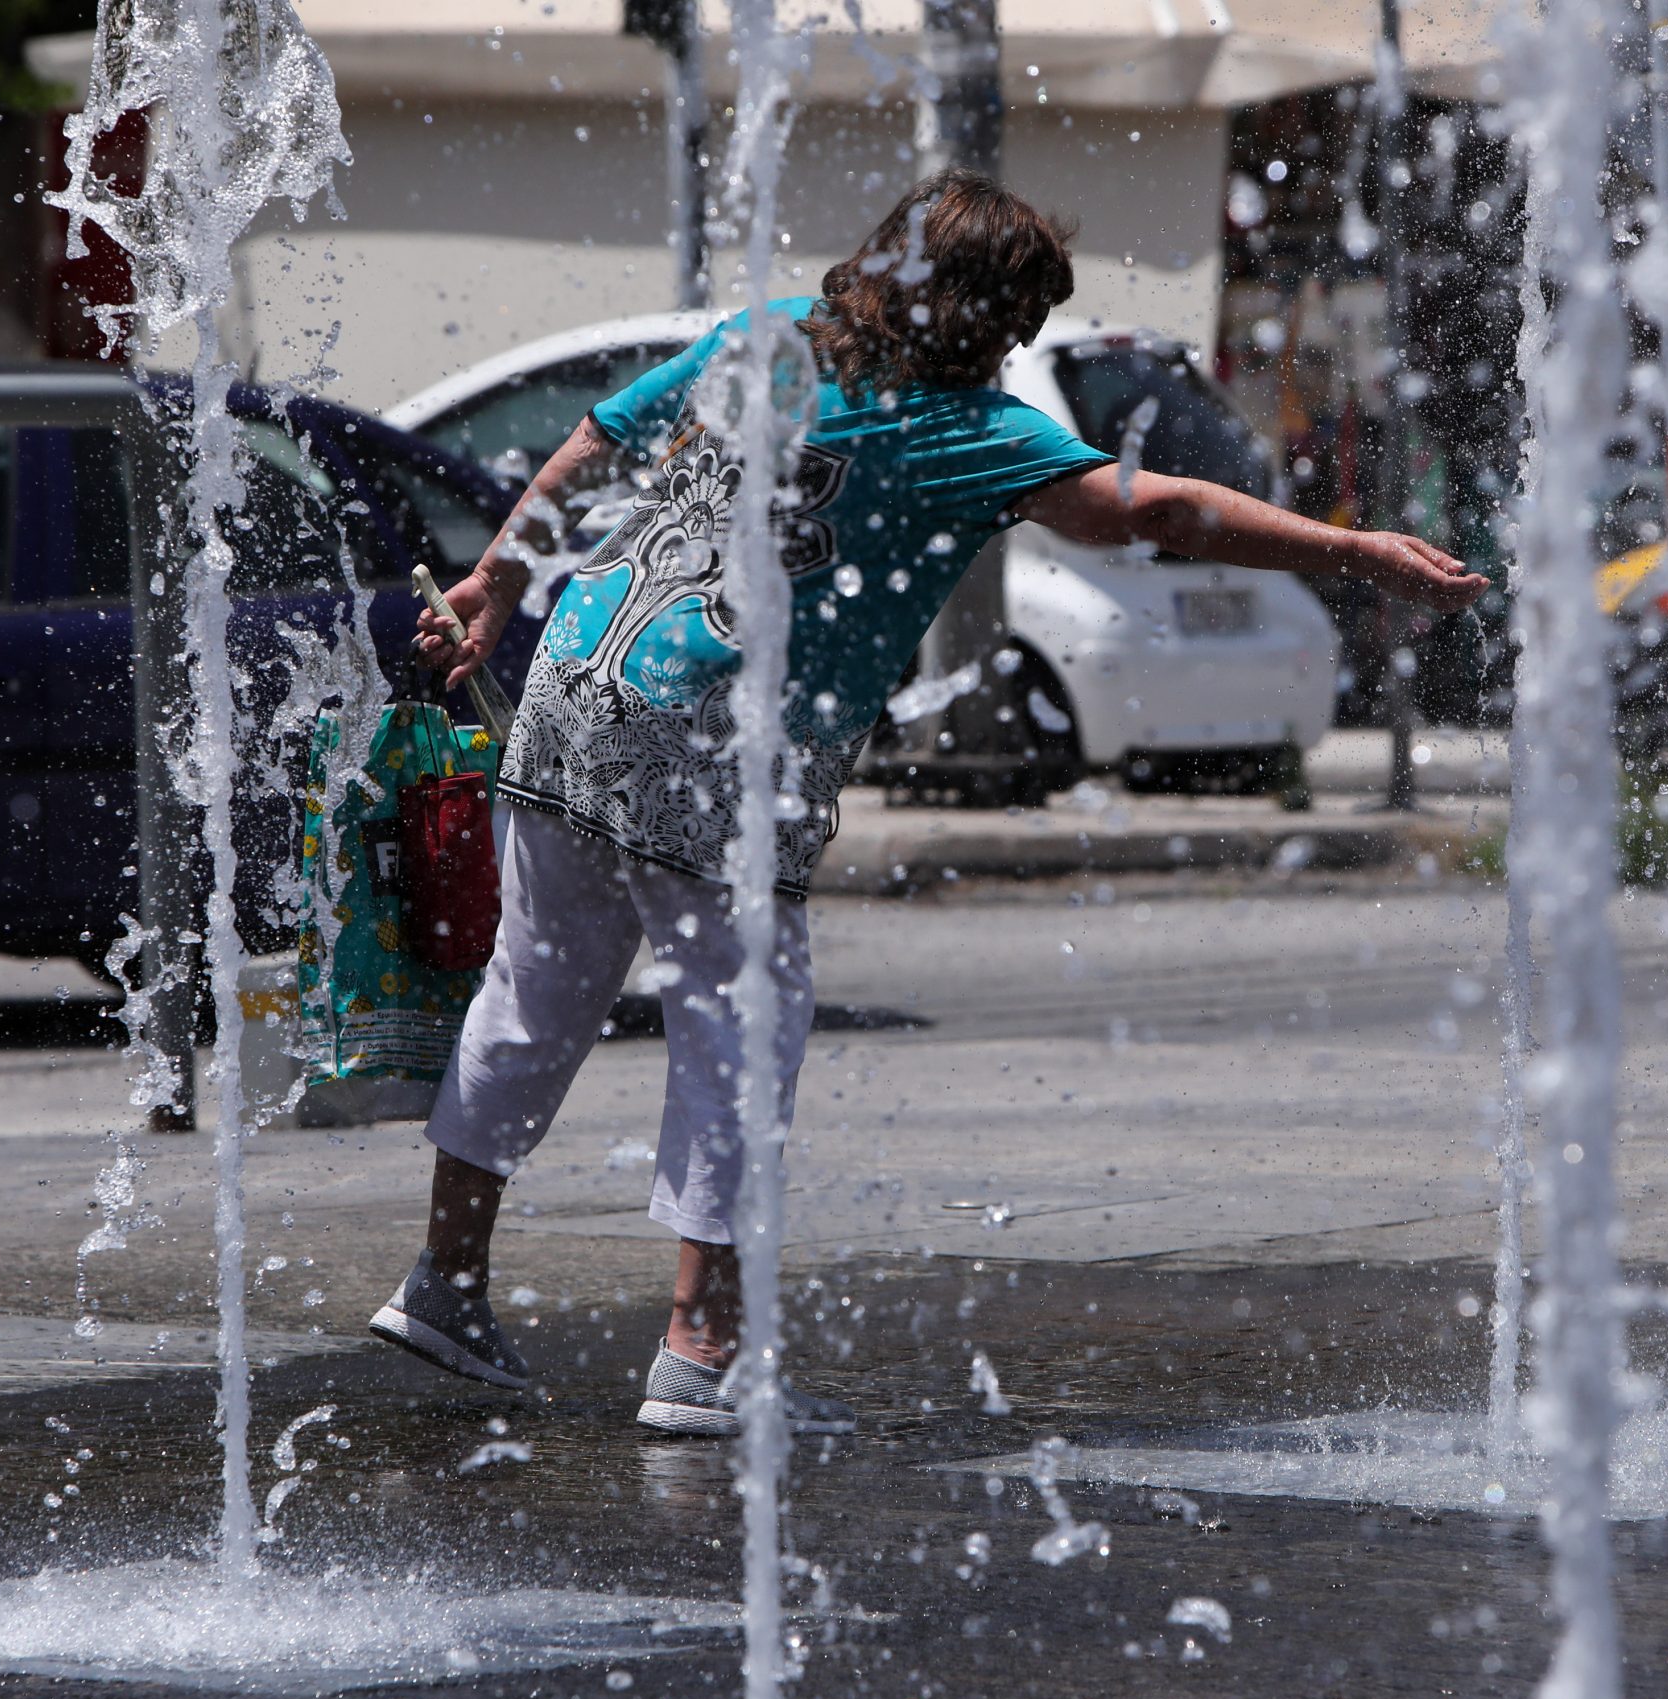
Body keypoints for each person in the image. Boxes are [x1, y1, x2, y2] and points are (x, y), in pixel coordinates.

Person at [368, 170, 1486, 1436]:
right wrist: (1349, 551)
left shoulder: (767, 334)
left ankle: (444, 1282)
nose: (1017, 347)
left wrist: (497, 590)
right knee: (738, 1032)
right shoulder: (965, 431)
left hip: (581, 683)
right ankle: (701, 1351)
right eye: (1012, 321)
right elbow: (1155, 508)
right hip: (723, 739)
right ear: (967, 314)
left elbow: (592, 446)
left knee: (534, 989)